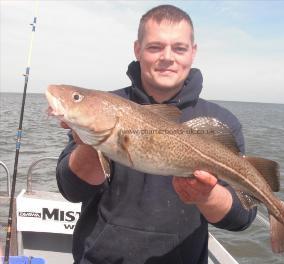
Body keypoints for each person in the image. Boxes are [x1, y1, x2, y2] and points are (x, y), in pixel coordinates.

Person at [57, 4, 257, 264]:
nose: (167, 57)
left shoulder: (220, 123)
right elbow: (71, 191)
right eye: (154, 47)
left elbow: (243, 217)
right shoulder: (105, 106)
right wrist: (91, 142)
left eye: (179, 48)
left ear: (192, 53)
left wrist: (206, 195)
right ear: (137, 49)